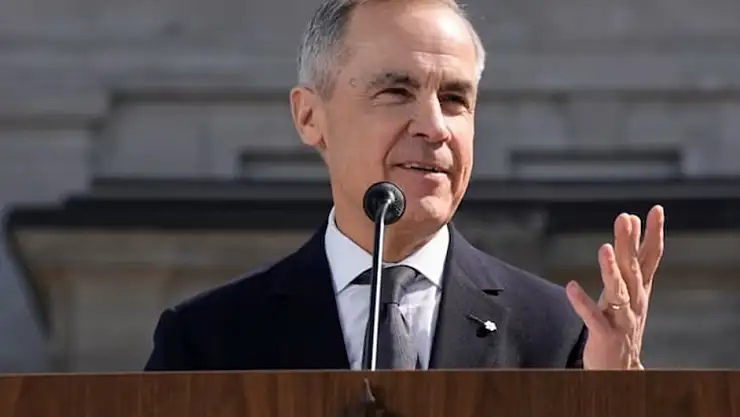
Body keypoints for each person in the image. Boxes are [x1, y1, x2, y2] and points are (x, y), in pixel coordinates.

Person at [144, 0, 665, 371]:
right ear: (309, 117)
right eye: (396, 92)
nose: (435, 127)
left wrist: (615, 400)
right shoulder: (207, 340)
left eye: (455, 99)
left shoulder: (558, 333)